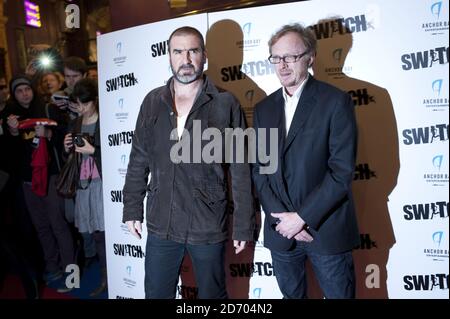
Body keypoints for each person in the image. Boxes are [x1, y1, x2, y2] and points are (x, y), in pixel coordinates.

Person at [122, 26, 255, 299]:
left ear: (204, 56)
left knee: (212, 296)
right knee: (157, 294)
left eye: (193, 51)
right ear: (169, 56)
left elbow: (241, 170)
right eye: (178, 52)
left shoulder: (225, 103)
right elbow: (138, 160)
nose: (186, 59)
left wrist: (243, 223)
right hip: (162, 221)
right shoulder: (152, 102)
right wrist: (132, 208)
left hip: (207, 221)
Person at [252, 23, 359, 299]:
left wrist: (301, 218)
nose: (283, 65)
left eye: (291, 57)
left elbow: (341, 172)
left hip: (325, 229)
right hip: (281, 234)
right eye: (276, 58)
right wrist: (283, 221)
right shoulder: (263, 109)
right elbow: (260, 171)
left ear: (310, 57)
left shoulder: (335, 102)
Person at [4, 75, 75, 290]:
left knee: (59, 225)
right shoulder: (10, 117)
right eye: (19, 90)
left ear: (33, 90)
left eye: (27, 88)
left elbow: (66, 135)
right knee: (42, 227)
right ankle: (52, 267)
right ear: (13, 95)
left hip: (51, 177)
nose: (24, 93)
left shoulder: (46, 109)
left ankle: (72, 275)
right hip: (28, 181)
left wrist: (49, 133)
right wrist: (14, 133)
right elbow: (10, 155)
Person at [62, 78, 106, 297]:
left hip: (101, 184)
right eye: (77, 104)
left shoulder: (106, 121)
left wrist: (93, 151)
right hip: (81, 184)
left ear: (94, 101)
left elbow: (116, 155)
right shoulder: (75, 122)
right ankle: (76, 277)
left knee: (101, 235)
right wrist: (66, 147)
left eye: (84, 104)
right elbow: (68, 158)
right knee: (83, 232)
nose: (80, 108)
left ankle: (106, 279)